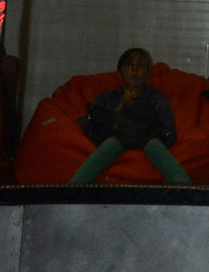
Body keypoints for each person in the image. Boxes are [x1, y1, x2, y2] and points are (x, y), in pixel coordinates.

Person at [71, 47, 190, 185]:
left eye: (140, 66)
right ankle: (72, 190)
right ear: (120, 73)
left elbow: (169, 132)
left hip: (149, 140)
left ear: (148, 74)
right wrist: (121, 105)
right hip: (116, 140)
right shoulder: (108, 98)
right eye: (129, 65)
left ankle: (188, 192)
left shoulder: (156, 98)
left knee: (154, 145)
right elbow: (90, 124)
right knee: (111, 143)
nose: (134, 70)